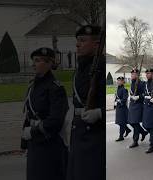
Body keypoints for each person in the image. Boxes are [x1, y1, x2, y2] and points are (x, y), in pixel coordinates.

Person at [21, 47, 69, 180]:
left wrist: (32, 132)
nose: (33, 64)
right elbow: (29, 115)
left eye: (37, 61)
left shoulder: (56, 88)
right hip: (34, 143)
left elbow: (56, 120)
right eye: (33, 61)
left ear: (49, 63)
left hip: (49, 144)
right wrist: (24, 142)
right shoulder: (33, 86)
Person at [67, 25, 104, 180]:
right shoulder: (81, 68)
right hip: (79, 130)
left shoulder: (101, 66)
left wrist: (100, 112)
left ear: (96, 44)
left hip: (94, 135)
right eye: (77, 41)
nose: (77, 44)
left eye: (82, 40)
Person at [128, 68, 148, 148]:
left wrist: (138, 97)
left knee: (135, 123)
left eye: (134, 74)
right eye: (132, 74)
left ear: (138, 75)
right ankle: (143, 132)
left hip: (138, 105)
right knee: (130, 122)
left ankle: (135, 141)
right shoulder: (132, 83)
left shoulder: (142, 83)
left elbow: (144, 94)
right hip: (132, 105)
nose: (132, 75)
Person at [114, 76, 131, 141]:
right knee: (119, 122)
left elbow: (124, 99)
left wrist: (119, 101)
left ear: (123, 82)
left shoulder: (124, 89)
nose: (118, 82)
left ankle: (121, 136)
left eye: (120, 81)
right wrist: (115, 104)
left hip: (122, 108)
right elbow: (116, 97)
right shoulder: (117, 89)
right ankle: (127, 130)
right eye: (118, 80)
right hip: (118, 107)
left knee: (121, 122)